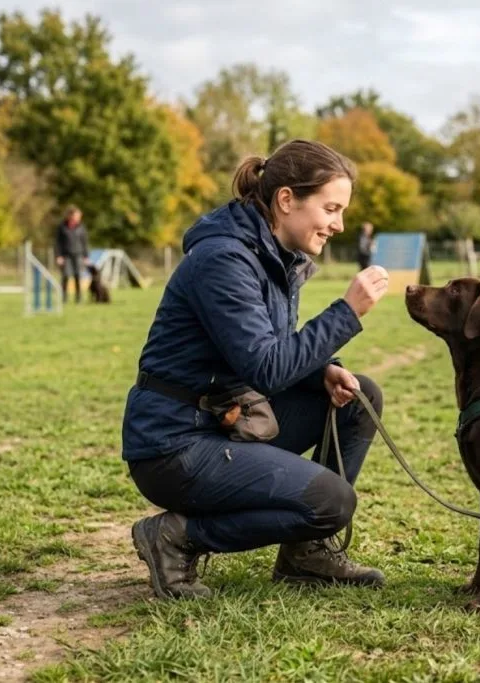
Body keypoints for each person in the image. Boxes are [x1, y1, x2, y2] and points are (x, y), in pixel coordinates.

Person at [122, 139, 391, 600]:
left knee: (357, 398)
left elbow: (264, 349)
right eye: (330, 208)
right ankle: (174, 537)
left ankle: (306, 554)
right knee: (332, 501)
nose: (338, 224)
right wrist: (347, 312)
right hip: (174, 444)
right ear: (286, 200)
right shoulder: (224, 259)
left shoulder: (275, 256)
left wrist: (320, 371)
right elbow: (265, 366)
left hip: (223, 421)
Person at [54, 206, 90, 304]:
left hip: (78, 254)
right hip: (66, 255)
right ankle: (64, 298)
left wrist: (86, 256)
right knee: (65, 276)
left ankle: (78, 298)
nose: (78, 217)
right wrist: (58, 256)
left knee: (78, 276)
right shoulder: (62, 227)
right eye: (77, 215)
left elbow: (85, 242)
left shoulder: (81, 227)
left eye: (79, 216)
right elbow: (58, 243)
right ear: (71, 215)